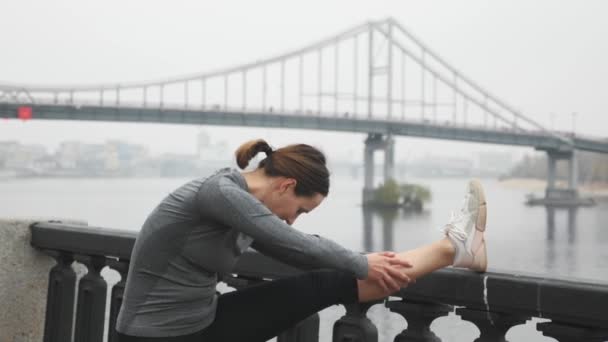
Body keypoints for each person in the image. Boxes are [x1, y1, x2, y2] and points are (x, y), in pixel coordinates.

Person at [115, 139, 487, 342]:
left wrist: (364, 264)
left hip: (201, 323)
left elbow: (299, 252)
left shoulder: (244, 210)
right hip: (153, 337)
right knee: (341, 273)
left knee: (329, 281)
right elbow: (295, 243)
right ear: (287, 185)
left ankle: (453, 249)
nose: (292, 219)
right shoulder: (219, 193)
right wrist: (362, 262)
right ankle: (454, 248)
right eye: (299, 209)